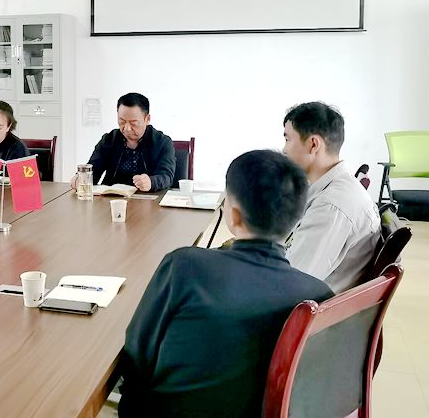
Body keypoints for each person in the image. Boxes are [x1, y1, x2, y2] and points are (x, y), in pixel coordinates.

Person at [118, 150, 333, 418]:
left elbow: (136, 356)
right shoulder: (319, 296)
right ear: (297, 219)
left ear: (234, 215)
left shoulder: (185, 267)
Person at [282, 102, 381, 291]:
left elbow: (291, 282)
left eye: (288, 139)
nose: (284, 150)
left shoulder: (331, 206)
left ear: (313, 144)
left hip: (308, 304)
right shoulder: (332, 190)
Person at [71, 92, 175, 192]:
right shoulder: (109, 140)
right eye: (122, 122)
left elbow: (166, 176)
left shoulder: (162, 142)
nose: (127, 129)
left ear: (147, 119)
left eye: (133, 123)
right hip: (112, 198)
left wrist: (151, 182)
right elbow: (93, 169)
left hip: (147, 199)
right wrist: (80, 179)